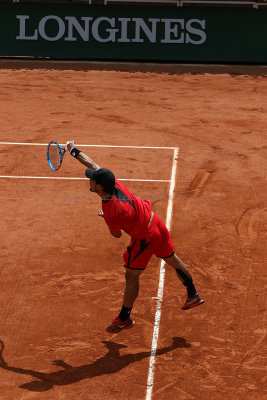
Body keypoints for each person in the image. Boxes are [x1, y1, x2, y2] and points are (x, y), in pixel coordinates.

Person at [66, 141, 204, 333]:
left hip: (144, 239)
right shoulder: (114, 184)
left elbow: (115, 235)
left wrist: (106, 218)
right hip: (156, 223)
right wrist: (74, 151)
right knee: (172, 259)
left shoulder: (112, 210)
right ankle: (193, 294)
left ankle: (124, 318)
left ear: (99, 187)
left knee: (131, 276)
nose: (89, 181)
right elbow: (93, 165)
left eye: (92, 181)